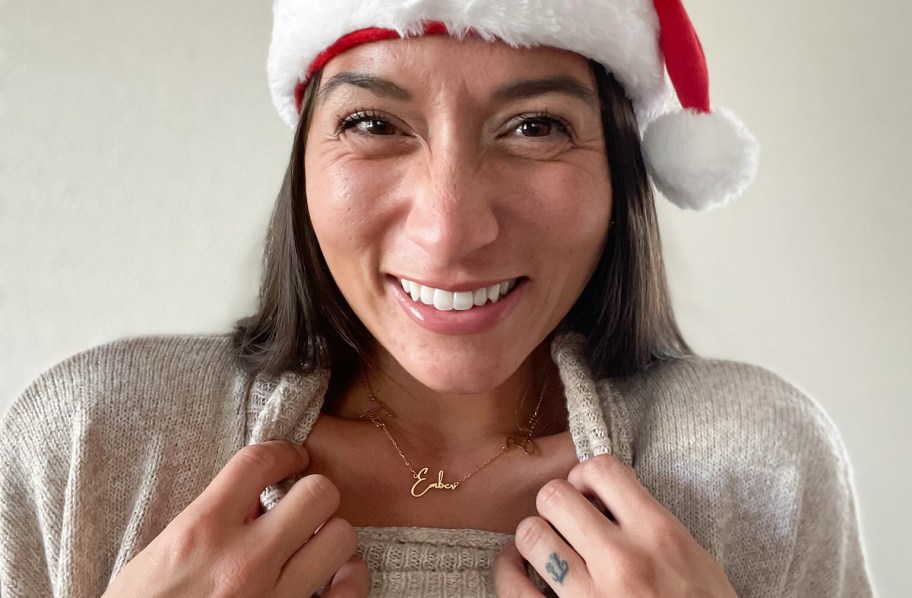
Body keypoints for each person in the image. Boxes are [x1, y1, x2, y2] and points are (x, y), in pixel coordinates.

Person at [0, 0, 872, 596]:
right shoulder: (90, 446)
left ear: (621, 169)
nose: (451, 231)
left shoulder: (760, 468)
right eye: (374, 124)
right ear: (304, 160)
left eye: (535, 127)